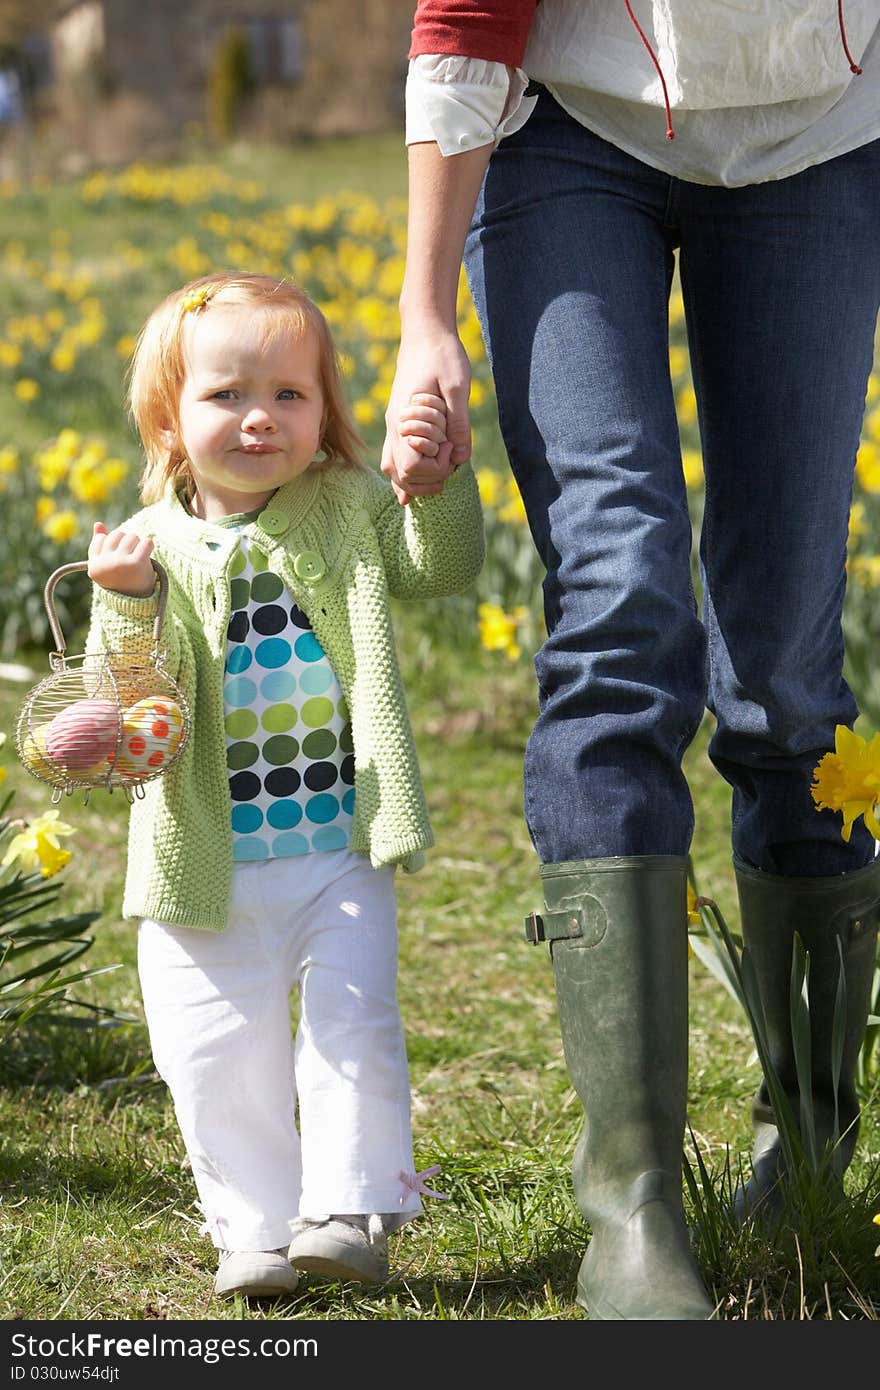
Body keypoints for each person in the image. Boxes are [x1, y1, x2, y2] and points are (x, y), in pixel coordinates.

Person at [382, 2, 880, 1320]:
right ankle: (634, 1201)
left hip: (824, 134)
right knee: (619, 607)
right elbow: (467, 11)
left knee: (785, 670)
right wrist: (424, 310)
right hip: (566, 131)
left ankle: (813, 1144)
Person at [85, 270, 484, 1301]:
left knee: (353, 1021)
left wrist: (430, 481)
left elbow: (438, 568)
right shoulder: (149, 550)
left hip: (334, 847)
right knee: (213, 1054)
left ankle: (348, 1208)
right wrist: (127, 607)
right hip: (202, 865)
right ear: (168, 420)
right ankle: (254, 1230)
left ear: (325, 412)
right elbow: (131, 712)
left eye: (289, 395)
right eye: (226, 395)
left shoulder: (346, 507)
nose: (260, 417)